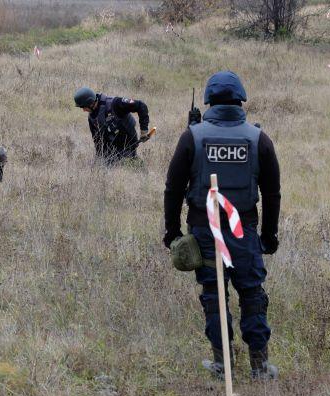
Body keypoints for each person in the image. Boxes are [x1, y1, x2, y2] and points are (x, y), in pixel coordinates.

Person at [163, 71, 281, 380]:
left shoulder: (193, 136)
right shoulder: (259, 139)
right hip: (245, 233)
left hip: (205, 232)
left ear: (209, 101)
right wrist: (268, 236)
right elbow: (272, 194)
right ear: (241, 100)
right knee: (253, 295)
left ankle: (222, 363)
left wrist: (172, 233)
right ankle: (259, 366)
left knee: (214, 297)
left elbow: (173, 189)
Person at [74, 87, 150, 164]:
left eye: (83, 107)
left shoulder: (115, 104)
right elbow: (97, 141)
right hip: (110, 155)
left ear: (90, 102)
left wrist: (144, 131)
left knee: (132, 167)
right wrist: (100, 160)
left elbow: (141, 106)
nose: (83, 110)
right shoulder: (92, 118)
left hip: (128, 148)